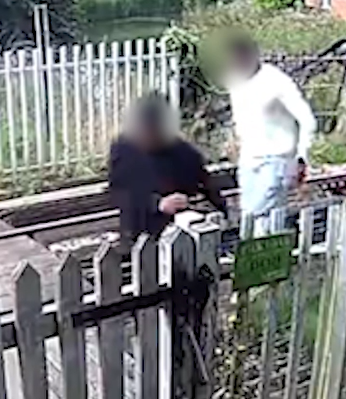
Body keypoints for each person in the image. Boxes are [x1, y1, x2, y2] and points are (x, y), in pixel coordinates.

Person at [108, 92, 226, 249]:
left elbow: (207, 185)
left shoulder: (183, 152)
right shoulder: (123, 150)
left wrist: (218, 210)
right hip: (139, 234)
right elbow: (118, 194)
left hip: (178, 234)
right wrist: (157, 204)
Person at [224, 34, 317, 234]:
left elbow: (307, 119)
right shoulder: (233, 80)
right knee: (251, 214)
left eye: (243, 58)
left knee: (260, 213)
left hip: (278, 159)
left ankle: (257, 257)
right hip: (249, 158)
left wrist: (302, 157)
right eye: (235, 59)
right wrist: (234, 138)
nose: (238, 63)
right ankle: (261, 257)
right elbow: (240, 114)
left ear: (254, 56)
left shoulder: (277, 82)